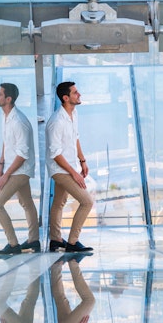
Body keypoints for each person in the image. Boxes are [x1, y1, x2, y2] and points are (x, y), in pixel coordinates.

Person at [0, 83, 40, 255]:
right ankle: (34, 241)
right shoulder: (5, 117)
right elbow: (7, 141)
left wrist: (6, 175)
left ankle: (13, 245)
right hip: (13, 167)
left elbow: (22, 154)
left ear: (8, 99)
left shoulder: (19, 122)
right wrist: (1, 163)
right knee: (26, 203)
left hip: (20, 170)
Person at [46, 81, 94, 253]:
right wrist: (74, 174)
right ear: (66, 98)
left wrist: (82, 160)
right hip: (60, 169)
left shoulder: (74, 114)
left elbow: (75, 138)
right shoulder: (56, 121)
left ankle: (55, 240)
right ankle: (72, 243)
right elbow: (56, 154)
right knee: (87, 201)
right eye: (75, 93)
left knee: (59, 202)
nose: (79, 94)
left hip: (71, 165)